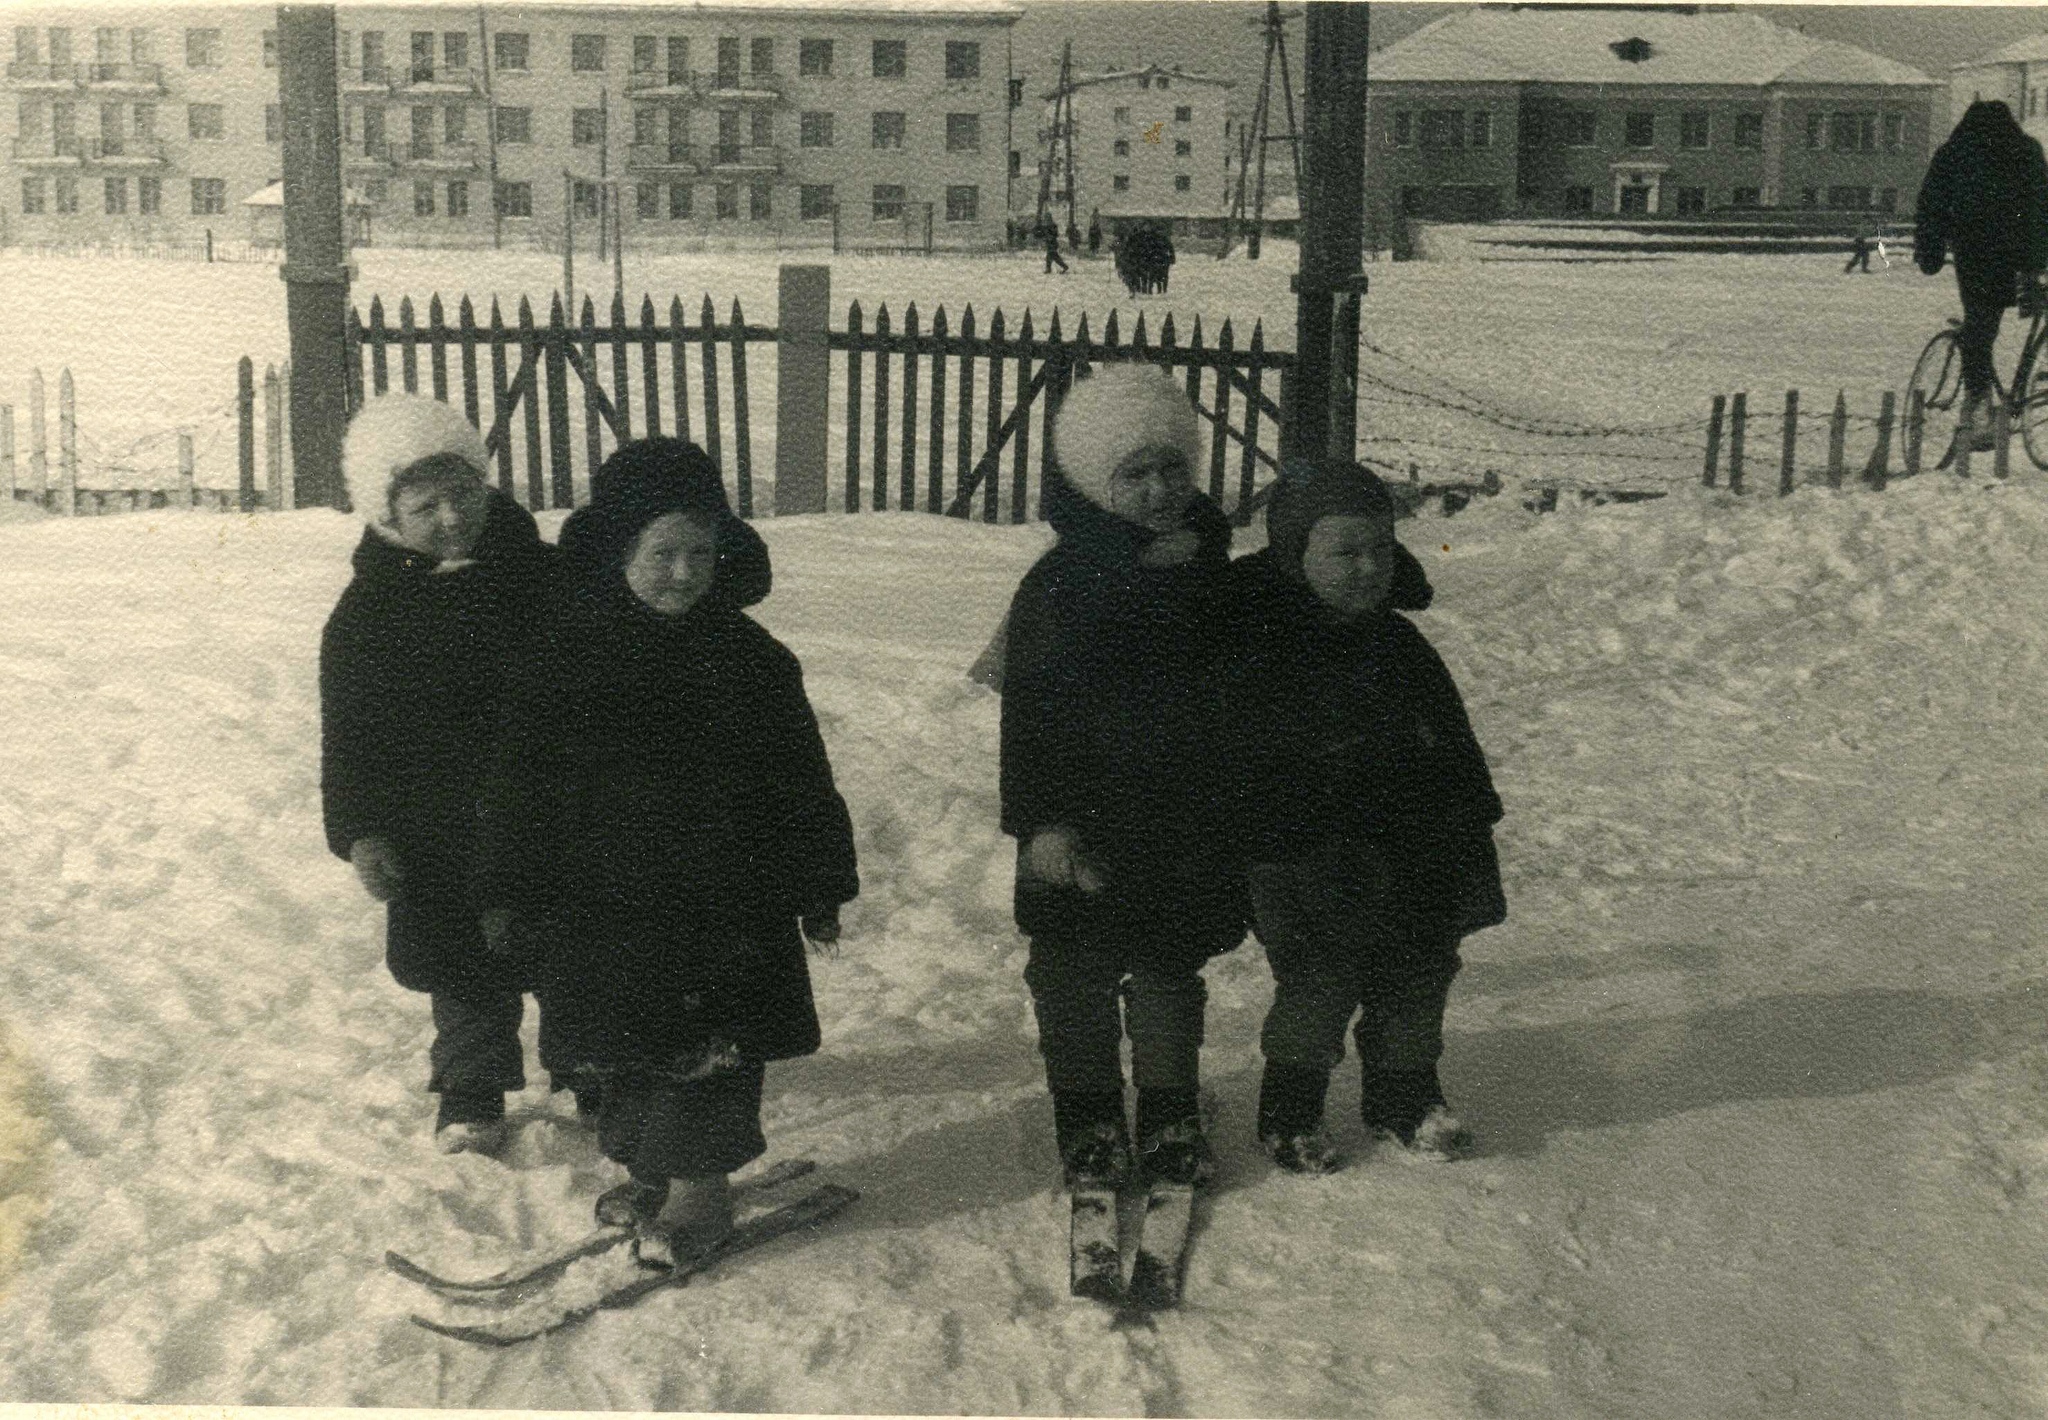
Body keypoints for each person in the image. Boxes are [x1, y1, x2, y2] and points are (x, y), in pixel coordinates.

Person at [474, 438, 857, 1267]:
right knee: (621, 1047)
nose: (683, 573)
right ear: (619, 552)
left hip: (725, 906)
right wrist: (508, 889)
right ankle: (652, 1168)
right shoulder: (563, 658)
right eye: (662, 554)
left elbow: (800, 777)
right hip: (602, 905)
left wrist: (819, 878)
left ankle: (701, 1191)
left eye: (700, 553)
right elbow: (519, 785)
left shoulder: (754, 663)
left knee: (707, 1052)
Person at [999, 365, 1247, 1206]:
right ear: (1092, 481)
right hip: (1080, 822)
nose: (1156, 489)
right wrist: (1042, 824)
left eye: (1171, 468)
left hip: (1184, 824)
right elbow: (1028, 719)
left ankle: (1171, 1112)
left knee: (1170, 970)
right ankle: (1090, 1118)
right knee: (1073, 973)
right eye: (1133, 474)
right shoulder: (1061, 585)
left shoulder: (1213, 572)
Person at [1220, 460, 1505, 1174]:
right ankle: (1291, 1108)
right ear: (1294, 554)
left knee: (1417, 978)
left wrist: (1467, 825)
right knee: (1319, 984)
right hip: (1305, 856)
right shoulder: (1260, 648)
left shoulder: (1404, 649)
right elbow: (1238, 761)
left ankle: (1406, 1098)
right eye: (1343, 551)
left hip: (1412, 851)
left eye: (1380, 548)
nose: (1368, 566)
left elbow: (1452, 747)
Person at [320, 393, 564, 1155]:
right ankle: (470, 1089)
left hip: (547, 808)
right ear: (386, 514)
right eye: (425, 504)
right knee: (464, 971)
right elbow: (351, 740)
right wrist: (362, 832)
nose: (452, 517)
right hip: (437, 828)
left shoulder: (542, 578)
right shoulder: (367, 617)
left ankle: (595, 1066)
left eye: (464, 494)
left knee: (571, 950)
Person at [1915, 99, 2048, 452]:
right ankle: (2028, 391)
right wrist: (2038, 261)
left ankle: (1979, 409)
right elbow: (2041, 205)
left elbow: (1932, 204)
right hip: (2023, 258)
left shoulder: (1956, 152)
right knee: (2027, 318)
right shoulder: (2026, 149)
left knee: (1979, 329)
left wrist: (1929, 252)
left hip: (1977, 258)